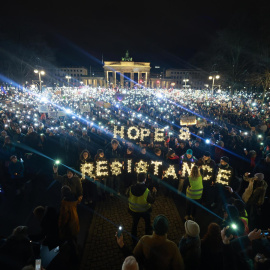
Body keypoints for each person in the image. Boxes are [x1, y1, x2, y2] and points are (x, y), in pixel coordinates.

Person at [116, 214, 184, 270]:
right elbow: (179, 267)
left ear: (153, 227)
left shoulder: (145, 240)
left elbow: (134, 258)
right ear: (166, 230)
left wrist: (122, 245)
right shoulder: (172, 247)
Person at [127, 172, 157, 246]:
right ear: (145, 179)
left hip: (134, 210)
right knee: (147, 224)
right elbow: (152, 201)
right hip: (145, 211)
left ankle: (134, 240)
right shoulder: (146, 191)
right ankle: (147, 237)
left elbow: (127, 194)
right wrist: (154, 193)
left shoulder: (131, 188)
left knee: (134, 225)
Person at [58, 185, 80, 263]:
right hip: (75, 219)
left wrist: (61, 225)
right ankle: (77, 249)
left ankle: (75, 257)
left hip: (69, 224)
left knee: (71, 242)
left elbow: (64, 216)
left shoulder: (64, 203)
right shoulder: (74, 198)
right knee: (74, 237)